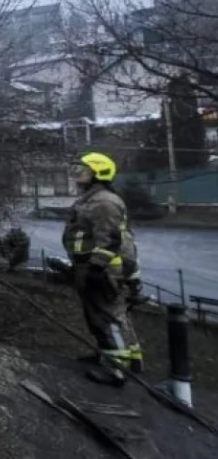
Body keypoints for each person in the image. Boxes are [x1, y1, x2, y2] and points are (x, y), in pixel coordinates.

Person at [62, 152, 144, 385]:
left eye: (82, 172)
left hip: (101, 269)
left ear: (98, 174)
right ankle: (129, 360)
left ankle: (116, 370)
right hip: (91, 266)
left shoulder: (104, 202)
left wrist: (97, 269)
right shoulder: (92, 199)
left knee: (108, 318)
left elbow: (108, 239)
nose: (76, 176)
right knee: (106, 315)